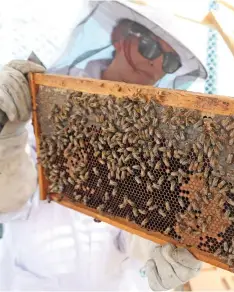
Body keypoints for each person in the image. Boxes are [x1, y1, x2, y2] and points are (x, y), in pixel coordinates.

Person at [0, 1, 207, 290]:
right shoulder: (50, 100)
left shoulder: (152, 133)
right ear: (120, 39)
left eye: (170, 62)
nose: (156, 65)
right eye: (149, 47)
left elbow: (135, 227)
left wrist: (161, 253)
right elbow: (9, 201)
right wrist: (6, 138)